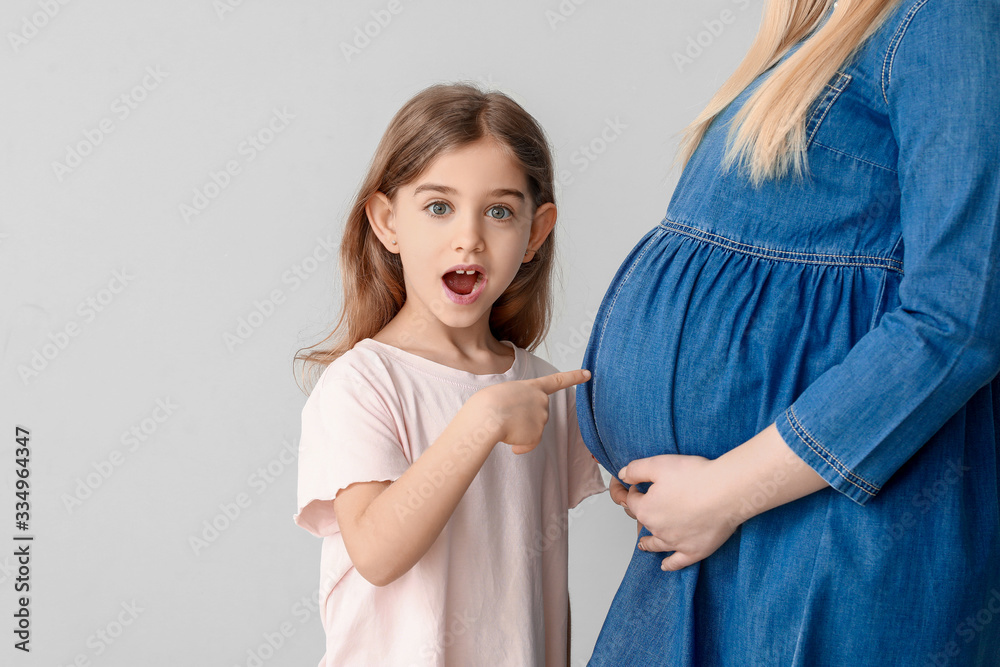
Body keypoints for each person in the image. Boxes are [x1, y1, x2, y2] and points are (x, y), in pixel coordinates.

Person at [576, 0, 1000, 664]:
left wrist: (725, 490)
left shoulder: (946, 16)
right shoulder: (815, 32)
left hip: (827, 537)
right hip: (720, 541)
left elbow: (960, 317)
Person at [291, 83, 606, 667]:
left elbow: (632, 489)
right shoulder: (363, 384)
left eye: (499, 211)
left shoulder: (543, 389)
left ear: (535, 233)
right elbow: (379, 552)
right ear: (387, 222)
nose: (470, 237)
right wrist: (480, 422)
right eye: (439, 207)